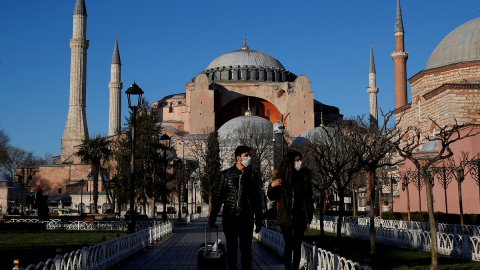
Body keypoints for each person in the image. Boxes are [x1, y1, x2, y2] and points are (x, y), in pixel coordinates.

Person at [209, 145, 263, 270]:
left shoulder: (252, 176)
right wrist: (212, 218)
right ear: (238, 158)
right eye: (246, 155)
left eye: (250, 155)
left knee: (246, 251)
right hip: (230, 219)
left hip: (246, 219)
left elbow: (256, 200)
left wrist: (259, 219)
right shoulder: (225, 175)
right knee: (231, 250)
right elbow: (218, 198)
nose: (249, 158)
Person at [267, 151, 314, 270]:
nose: (299, 163)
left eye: (300, 160)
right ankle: (288, 267)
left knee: (297, 245)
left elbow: (308, 198)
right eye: (297, 160)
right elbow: (272, 196)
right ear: (290, 162)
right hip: (286, 217)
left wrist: (309, 214)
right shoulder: (281, 178)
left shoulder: (304, 177)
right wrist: (272, 186)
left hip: (300, 216)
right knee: (289, 244)